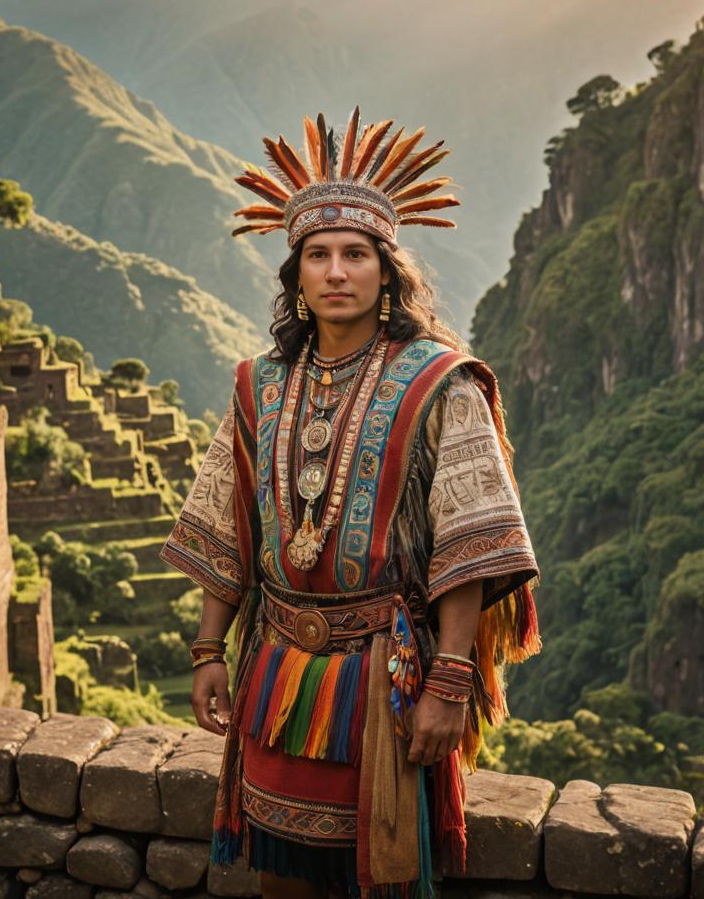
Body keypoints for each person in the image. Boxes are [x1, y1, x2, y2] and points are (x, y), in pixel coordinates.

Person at [161, 108, 541, 899]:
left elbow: (467, 543)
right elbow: (229, 525)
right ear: (296, 275)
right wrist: (207, 652)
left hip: (383, 677)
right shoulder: (257, 387)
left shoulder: (443, 384)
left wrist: (449, 680)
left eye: (356, 255)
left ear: (386, 271)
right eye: (319, 255)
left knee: (380, 873)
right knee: (282, 878)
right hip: (272, 670)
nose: (337, 271)